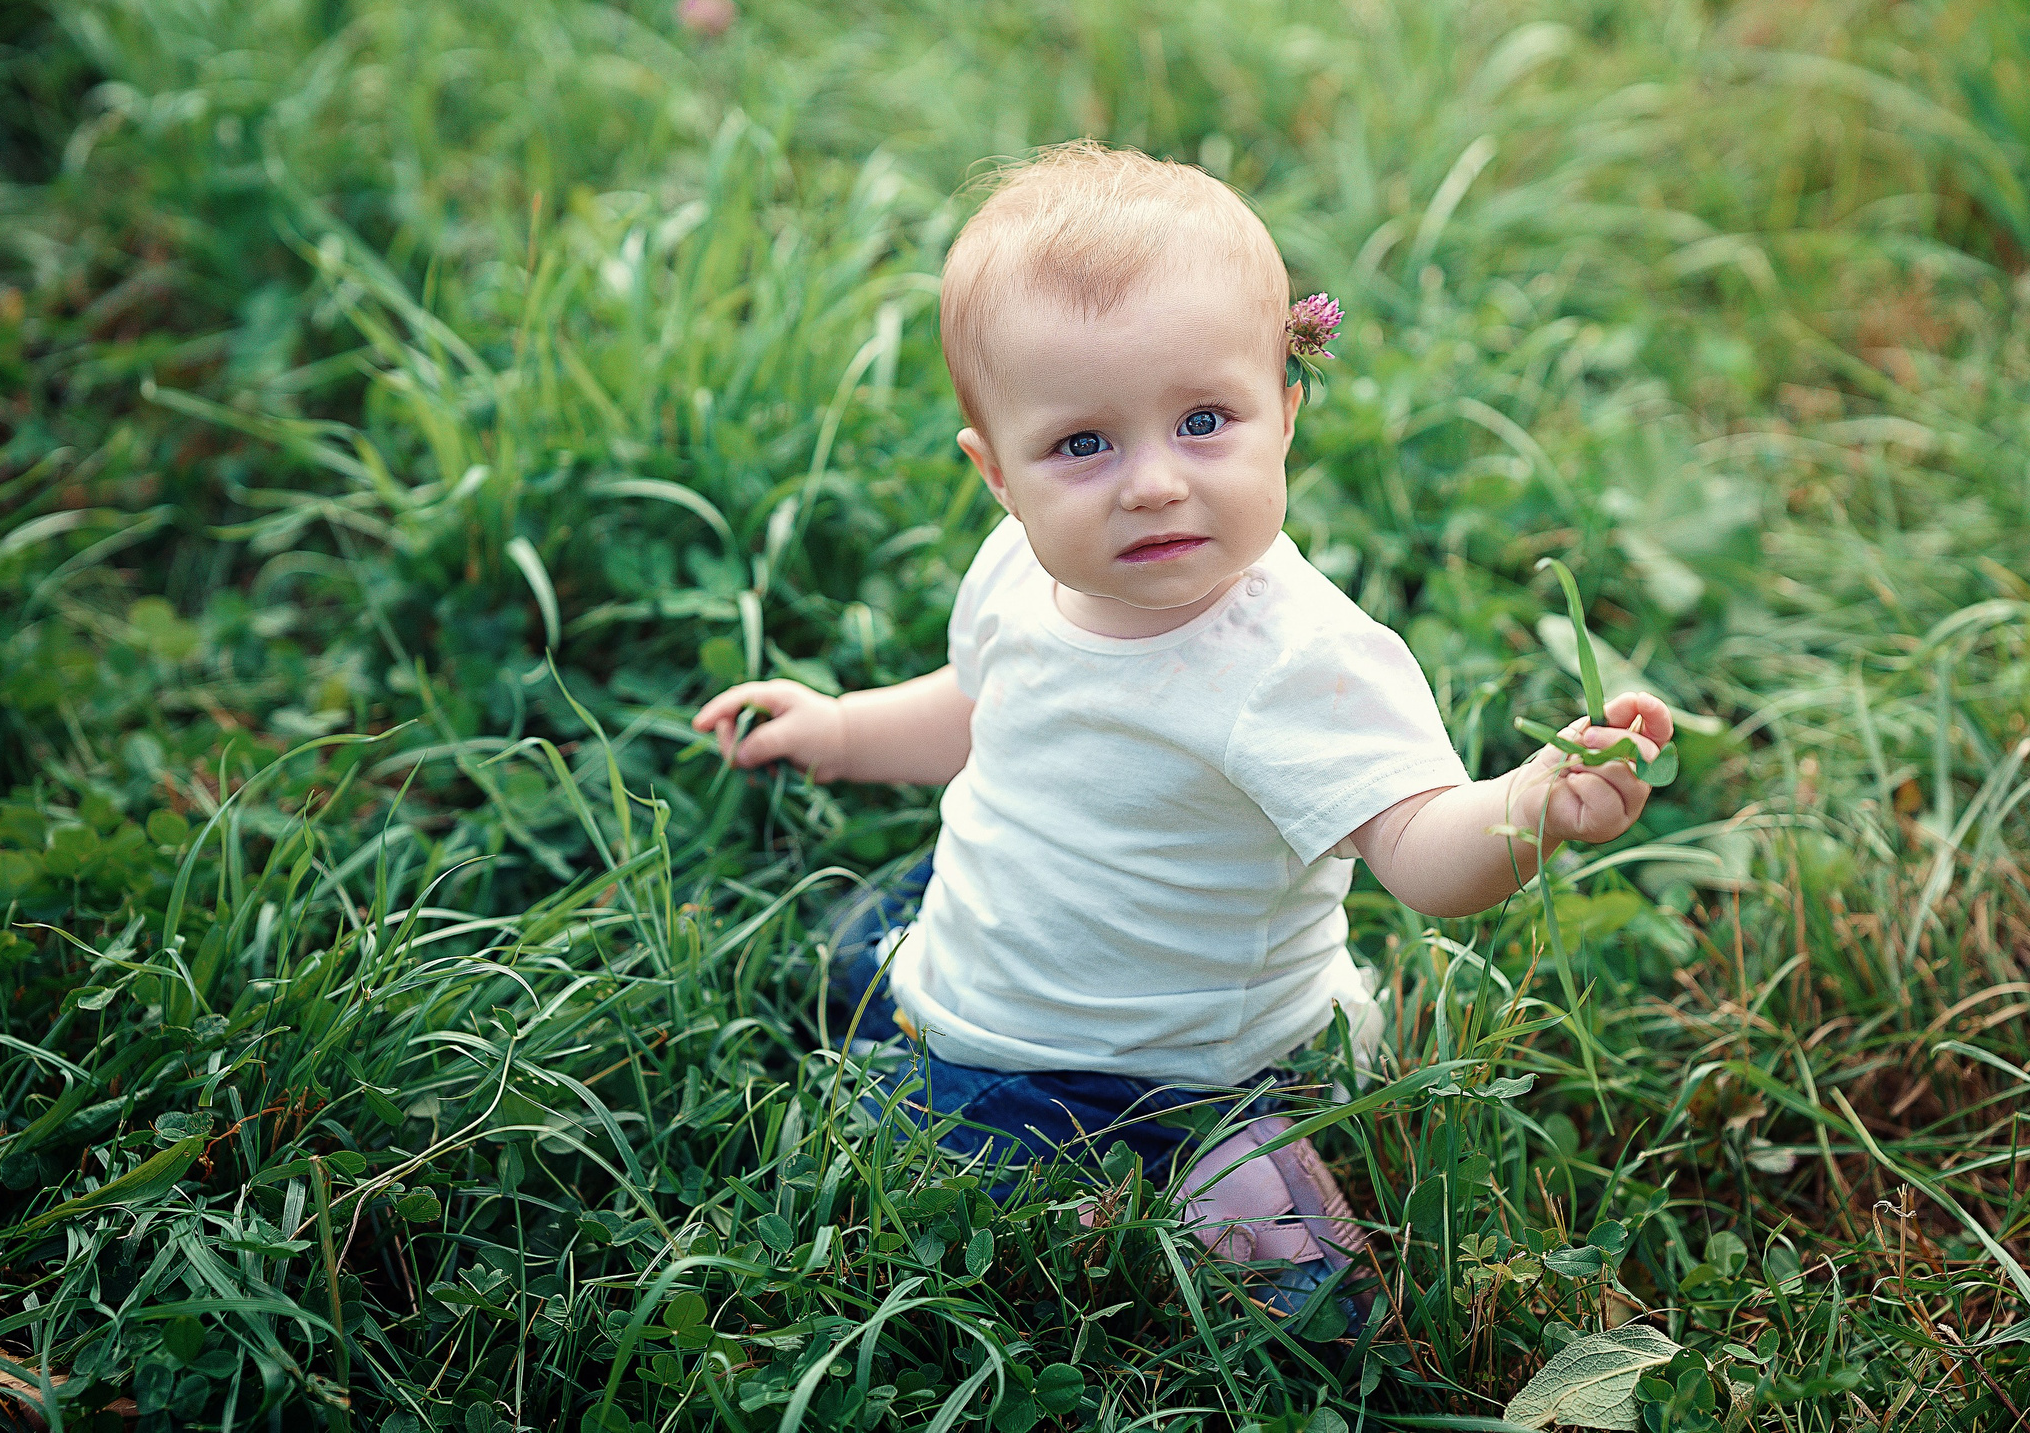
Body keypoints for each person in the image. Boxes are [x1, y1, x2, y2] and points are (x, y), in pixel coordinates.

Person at [693, 142, 1671, 1327]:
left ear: (1287, 413)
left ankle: (1230, 1148)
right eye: (1083, 445)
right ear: (995, 474)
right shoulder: (1018, 567)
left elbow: (1419, 849)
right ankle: (969, 1025)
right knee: (855, 950)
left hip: (1165, 1053)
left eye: (1203, 420)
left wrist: (1527, 805)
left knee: (945, 1172)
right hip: (1000, 941)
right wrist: (841, 730)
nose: (1152, 483)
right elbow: (979, 710)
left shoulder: (1293, 664)